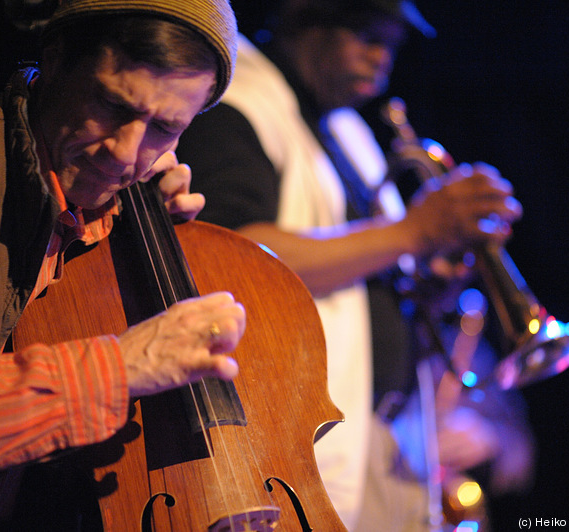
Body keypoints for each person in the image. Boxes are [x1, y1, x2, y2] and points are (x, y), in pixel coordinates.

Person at [0, 0, 245, 530]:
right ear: (56, 56)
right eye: (113, 105)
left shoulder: (104, 215)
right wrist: (120, 367)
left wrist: (122, 228)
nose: (126, 153)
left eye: (164, 127)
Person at [175, 0, 535, 529]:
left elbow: (364, 266)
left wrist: (425, 278)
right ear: (306, 22)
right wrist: (414, 231)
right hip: (299, 440)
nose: (380, 56)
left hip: (386, 434)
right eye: (366, 34)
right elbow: (236, 256)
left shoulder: (347, 131)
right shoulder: (238, 107)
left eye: (390, 43)